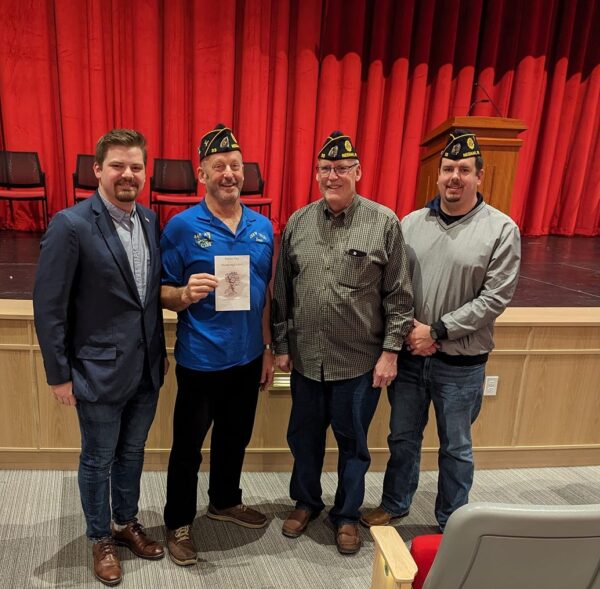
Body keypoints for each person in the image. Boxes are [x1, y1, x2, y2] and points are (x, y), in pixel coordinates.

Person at [361, 129, 521, 532]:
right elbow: (394, 286)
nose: (455, 177)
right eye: (448, 168)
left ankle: (452, 520)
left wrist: (437, 331)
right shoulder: (410, 223)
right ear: (437, 175)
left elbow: (494, 299)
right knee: (402, 438)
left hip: (462, 364)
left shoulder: (502, 230)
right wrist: (412, 333)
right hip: (413, 357)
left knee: (457, 448)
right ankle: (395, 503)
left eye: (464, 170)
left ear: (479, 177)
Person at [33, 129, 167, 586]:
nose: (127, 174)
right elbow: (49, 306)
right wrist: (59, 375)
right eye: (117, 166)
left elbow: (145, 297)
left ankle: (125, 523)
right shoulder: (70, 225)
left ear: (145, 172)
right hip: (96, 370)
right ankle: (99, 537)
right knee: (97, 459)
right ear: (97, 170)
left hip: (146, 367)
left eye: (135, 166)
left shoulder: (150, 221)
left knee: (132, 453)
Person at [271, 131, 413, 555]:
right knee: (303, 437)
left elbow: (399, 296)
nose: (333, 176)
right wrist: (280, 344)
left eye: (342, 169)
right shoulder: (297, 222)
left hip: (358, 362)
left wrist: (391, 352)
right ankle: (306, 502)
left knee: (353, 444)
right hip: (306, 360)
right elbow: (282, 291)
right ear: (316, 174)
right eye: (326, 169)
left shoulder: (384, 222)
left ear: (358, 172)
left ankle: (347, 514)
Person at [160, 124, 275, 566]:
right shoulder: (182, 227)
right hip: (201, 360)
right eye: (219, 167)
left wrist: (265, 348)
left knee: (235, 438)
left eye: (235, 166)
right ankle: (178, 523)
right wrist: (182, 295)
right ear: (201, 174)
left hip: (247, 358)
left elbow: (265, 294)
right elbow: (159, 291)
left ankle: (224, 501)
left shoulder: (263, 227)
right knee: (188, 447)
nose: (229, 173)